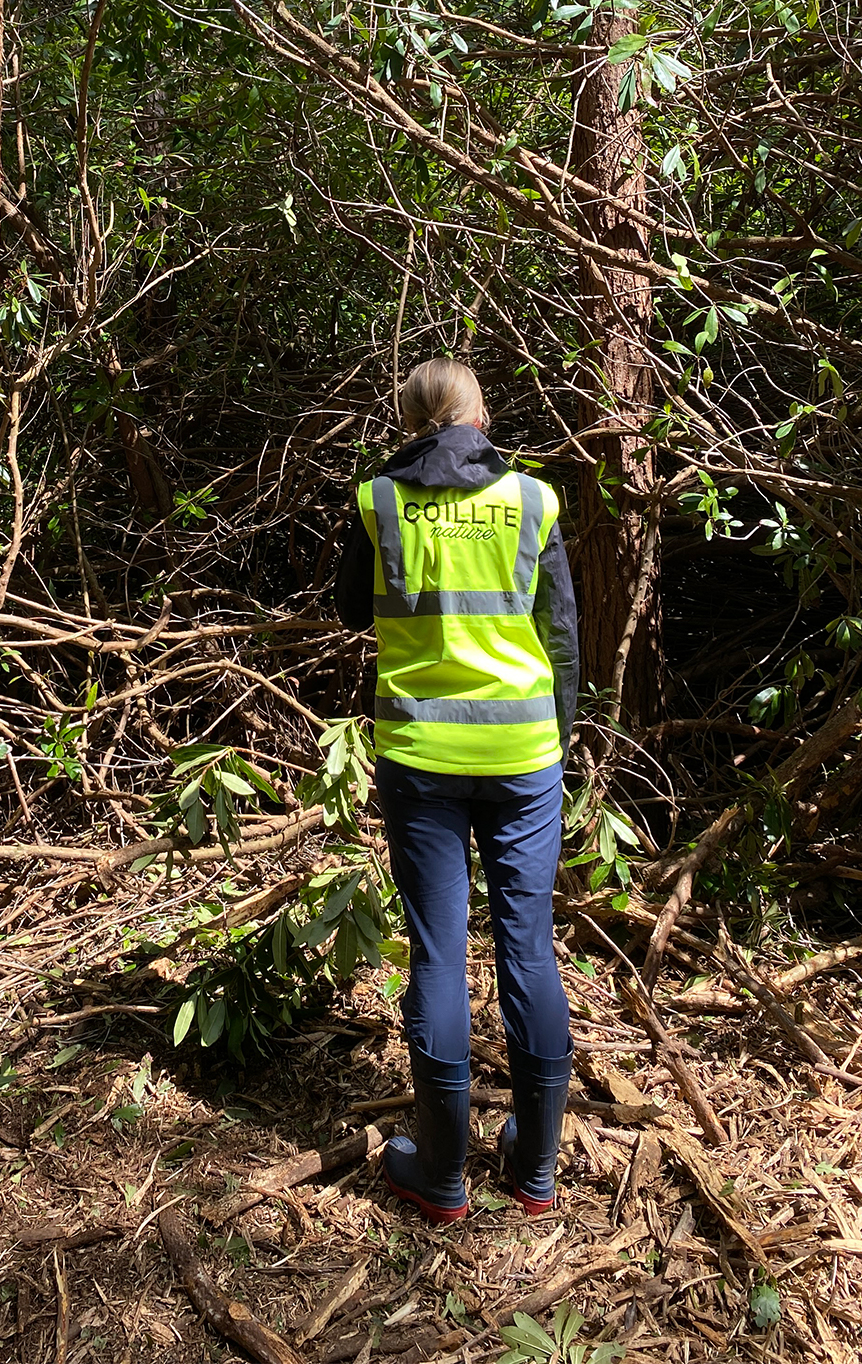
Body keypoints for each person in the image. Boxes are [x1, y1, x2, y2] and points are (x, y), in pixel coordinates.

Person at [334, 358, 579, 1222]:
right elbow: (560, 633)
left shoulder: (378, 501)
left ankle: (439, 1176)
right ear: (478, 413)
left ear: (409, 419)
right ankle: (534, 1170)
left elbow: (348, 610)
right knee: (529, 947)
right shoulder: (532, 500)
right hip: (523, 754)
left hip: (422, 756)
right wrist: (562, 733)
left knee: (438, 950)